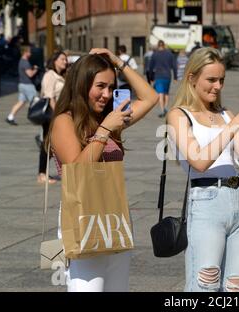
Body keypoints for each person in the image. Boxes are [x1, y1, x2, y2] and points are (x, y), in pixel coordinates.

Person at [46, 48, 158, 292]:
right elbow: (76, 170)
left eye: (111, 87)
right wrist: (104, 130)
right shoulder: (64, 121)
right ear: (82, 83)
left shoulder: (109, 118)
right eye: (100, 86)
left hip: (114, 216)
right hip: (82, 216)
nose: (107, 94)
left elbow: (151, 98)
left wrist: (118, 62)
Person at [166, 47, 239, 292]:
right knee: (205, 284)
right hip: (206, 201)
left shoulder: (225, 114)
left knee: (236, 286)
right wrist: (235, 123)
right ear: (192, 78)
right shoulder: (179, 115)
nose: (217, 86)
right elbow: (199, 161)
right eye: (211, 80)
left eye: (221, 80)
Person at [36, 51, 68, 184]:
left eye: (65, 60)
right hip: (51, 113)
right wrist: (57, 116)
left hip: (59, 113)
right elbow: (50, 97)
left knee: (54, 143)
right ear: (54, 60)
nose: (65, 62)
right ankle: (42, 174)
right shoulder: (50, 75)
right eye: (62, 59)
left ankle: (62, 170)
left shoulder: (61, 76)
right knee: (47, 143)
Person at [6, 45, 39, 125]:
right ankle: (38, 118)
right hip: (28, 85)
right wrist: (35, 69)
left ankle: (10, 117)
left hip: (21, 85)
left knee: (21, 102)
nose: (31, 53)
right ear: (25, 52)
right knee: (36, 101)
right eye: (29, 52)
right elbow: (30, 74)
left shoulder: (21, 61)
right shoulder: (25, 62)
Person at [149, 40, 177, 118]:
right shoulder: (169, 54)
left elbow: (150, 67)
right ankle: (165, 107)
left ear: (158, 45)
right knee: (166, 93)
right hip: (167, 76)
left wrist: (151, 77)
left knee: (160, 94)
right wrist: (175, 77)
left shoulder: (154, 54)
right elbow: (174, 66)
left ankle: (162, 110)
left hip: (158, 76)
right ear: (164, 45)